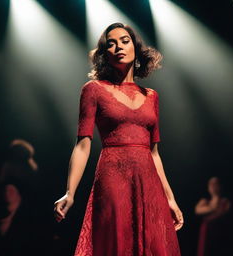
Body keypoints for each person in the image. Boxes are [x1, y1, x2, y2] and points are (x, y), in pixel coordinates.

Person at [54, 22, 183, 255]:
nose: (118, 47)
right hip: (113, 177)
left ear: (136, 48)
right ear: (105, 54)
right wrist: (70, 192)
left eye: (124, 41)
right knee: (117, 241)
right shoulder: (93, 90)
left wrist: (170, 198)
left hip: (148, 181)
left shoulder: (152, 96)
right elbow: (82, 145)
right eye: (110, 44)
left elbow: (154, 153)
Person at [195, 177, 233, 256]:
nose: (213, 186)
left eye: (216, 184)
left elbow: (222, 214)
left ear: (220, 186)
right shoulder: (204, 201)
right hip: (206, 235)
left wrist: (216, 198)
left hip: (221, 235)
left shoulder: (226, 202)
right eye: (211, 184)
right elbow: (198, 211)